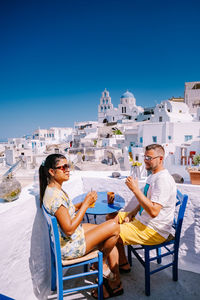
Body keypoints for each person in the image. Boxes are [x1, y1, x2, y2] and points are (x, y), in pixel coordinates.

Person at [39, 153, 123, 299]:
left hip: (66, 239)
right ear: (51, 172)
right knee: (114, 227)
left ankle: (114, 280)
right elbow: (69, 229)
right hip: (70, 245)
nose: (67, 169)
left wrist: (84, 202)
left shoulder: (53, 190)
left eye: (68, 166)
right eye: (63, 167)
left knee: (111, 236)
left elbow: (66, 212)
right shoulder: (56, 197)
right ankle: (102, 265)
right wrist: (85, 204)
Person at [107, 144, 177, 273]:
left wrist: (135, 190)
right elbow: (145, 200)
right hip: (142, 220)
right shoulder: (153, 175)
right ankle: (123, 263)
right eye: (145, 157)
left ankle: (113, 276)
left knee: (110, 234)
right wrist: (131, 214)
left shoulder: (163, 180)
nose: (145, 160)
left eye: (149, 158)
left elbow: (154, 212)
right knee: (110, 217)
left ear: (160, 159)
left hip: (154, 230)